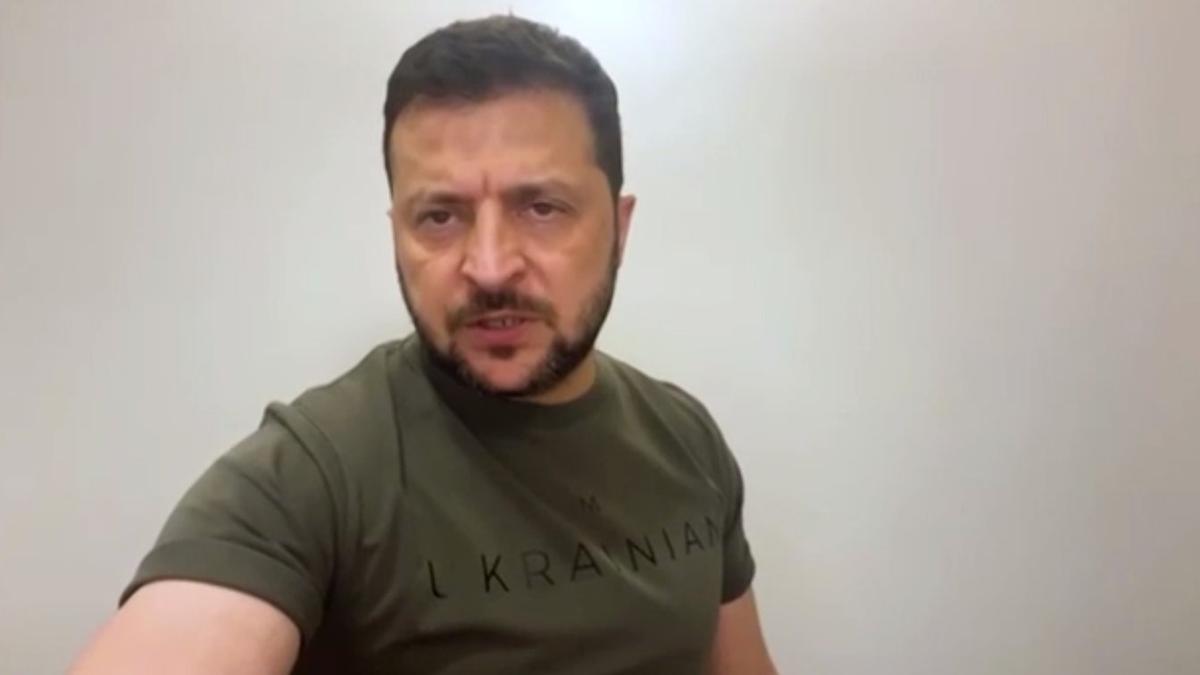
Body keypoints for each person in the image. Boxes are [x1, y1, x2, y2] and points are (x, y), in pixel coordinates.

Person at [70, 15, 776, 675]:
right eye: (440, 216)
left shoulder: (686, 438)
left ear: (619, 229)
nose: (490, 267)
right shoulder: (316, 474)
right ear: (396, 233)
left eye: (541, 207)